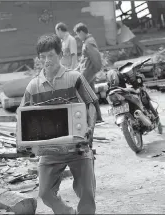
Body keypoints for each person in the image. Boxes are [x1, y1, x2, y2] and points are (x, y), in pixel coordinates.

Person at [19, 34, 97, 214]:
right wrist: (25, 143)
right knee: (45, 193)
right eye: (43, 57)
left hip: (78, 145)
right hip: (49, 149)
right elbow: (24, 116)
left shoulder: (74, 78)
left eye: (51, 56)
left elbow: (91, 104)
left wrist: (90, 128)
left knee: (86, 192)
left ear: (60, 55)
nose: (47, 61)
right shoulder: (33, 87)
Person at [73, 22, 104, 123]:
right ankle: (97, 117)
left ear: (82, 32)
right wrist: (77, 69)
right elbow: (84, 59)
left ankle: (93, 117)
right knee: (91, 95)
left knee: (84, 95)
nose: (78, 36)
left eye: (78, 34)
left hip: (88, 73)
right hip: (87, 72)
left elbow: (96, 58)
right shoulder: (87, 42)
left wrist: (96, 70)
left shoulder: (89, 42)